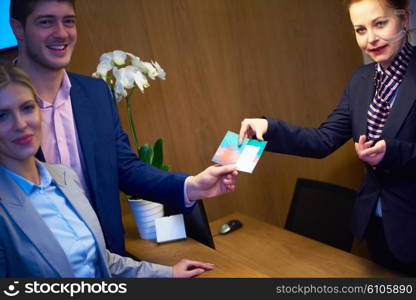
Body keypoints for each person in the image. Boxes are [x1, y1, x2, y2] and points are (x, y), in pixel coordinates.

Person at [9, 0, 238, 255]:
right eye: (46, 22)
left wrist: (192, 186)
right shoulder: (5, 106)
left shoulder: (96, 94)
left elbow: (126, 168)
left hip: (109, 262)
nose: (62, 33)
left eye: (69, 21)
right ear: (18, 28)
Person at [239, 0, 416, 275]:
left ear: (404, 19)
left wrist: (391, 152)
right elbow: (323, 139)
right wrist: (268, 127)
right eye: (360, 30)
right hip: (376, 221)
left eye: (380, 24)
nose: (371, 39)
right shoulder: (360, 80)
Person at [0, 63, 217, 278]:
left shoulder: (64, 177)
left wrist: (167, 273)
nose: (20, 124)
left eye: (27, 108)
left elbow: (103, 262)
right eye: (3, 116)